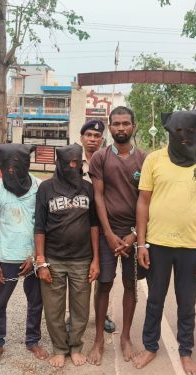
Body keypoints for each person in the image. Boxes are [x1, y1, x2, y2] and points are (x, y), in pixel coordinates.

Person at [133, 109, 196, 375]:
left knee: (187, 303)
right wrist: (141, 244)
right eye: (178, 131)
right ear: (169, 132)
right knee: (155, 299)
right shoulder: (154, 160)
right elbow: (143, 202)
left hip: (191, 247)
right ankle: (150, 346)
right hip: (157, 244)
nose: (184, 136)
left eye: (189, 131)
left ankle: (186, 352)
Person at [86, 106, 147, 365]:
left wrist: (134, 236)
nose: (121, 128)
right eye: (116, 124)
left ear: (134, 126)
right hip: (107, 233)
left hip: (134, 234)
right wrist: (109, 234)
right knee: (104, 284)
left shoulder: (144, 159)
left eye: (126, 123)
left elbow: (147, 201)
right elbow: (98, 197)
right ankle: (98, 339)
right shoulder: (100, 158)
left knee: (131, 286)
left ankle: (126, 337)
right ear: (109, 127)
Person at [34, 144, 100, 368]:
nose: (73, 166)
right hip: (53, 259)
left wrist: (96, 259)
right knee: (54, 308)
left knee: (81, 307)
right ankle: (59, 348)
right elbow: (39, 227)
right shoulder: (46, 188)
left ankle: (75, 346)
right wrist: (41, 262)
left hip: (82, 259)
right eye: (69, 163)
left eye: (77, 162)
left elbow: (94, 225)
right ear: (59, 164)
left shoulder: (87, 188)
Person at [0, 143, 48, 365]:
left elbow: (42, 224)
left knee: (36, 301)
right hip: (6, 256)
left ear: (26, 165)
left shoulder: (39, 187)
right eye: (8, 168)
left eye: (17, 167)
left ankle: (33, 341)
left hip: (32, 256)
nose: (12, 171)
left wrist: (35, 256)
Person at [78, 119, 115, 334]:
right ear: (82, 138)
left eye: (97, 136)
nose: (92, 139)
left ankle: (103, 313)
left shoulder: (108, 161)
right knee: (79, 272)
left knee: (104, 274)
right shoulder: (72, 159)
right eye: (89, 135)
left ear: (102, 139)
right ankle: (75, 314)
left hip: (103, 224)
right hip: (80, 224)